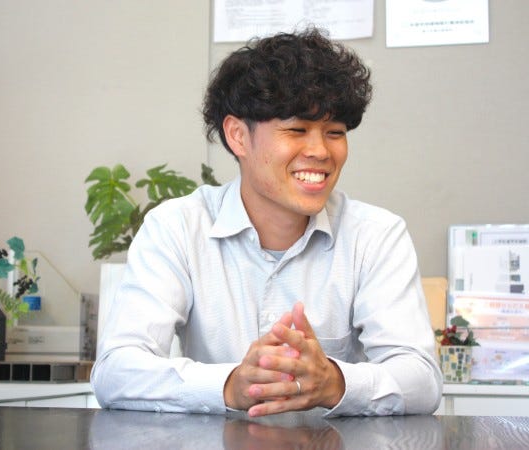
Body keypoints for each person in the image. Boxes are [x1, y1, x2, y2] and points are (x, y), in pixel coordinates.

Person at [91, 27, 442, 417]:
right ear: (238, 136)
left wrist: (335, 382)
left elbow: (422, 379)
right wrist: (230, 386)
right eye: (296, 129)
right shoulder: (176, 228)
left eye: (335, 132)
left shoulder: (376, 236)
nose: (320, 151)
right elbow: (116, 371)